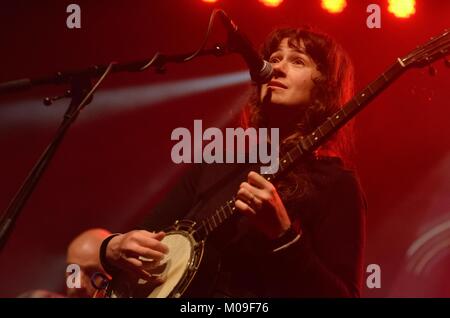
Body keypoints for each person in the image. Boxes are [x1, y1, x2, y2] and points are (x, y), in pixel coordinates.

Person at [100, 27, 366, 297]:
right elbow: (146, 234)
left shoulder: (336, 182)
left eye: (297, 61)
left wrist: (284, 237)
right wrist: (111, 247)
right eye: (274, 59)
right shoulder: (219, 161)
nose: (277, 69)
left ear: (325, 87)